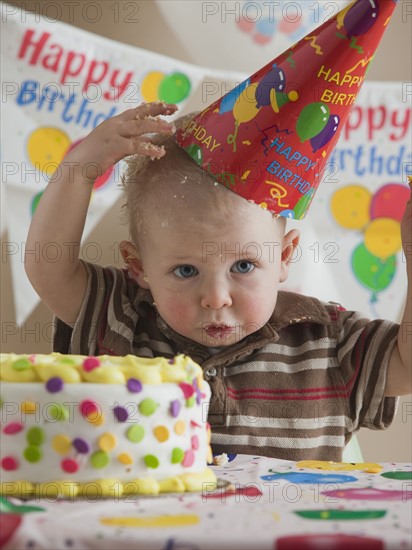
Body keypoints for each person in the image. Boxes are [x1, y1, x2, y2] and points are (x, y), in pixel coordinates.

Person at [25, 101, 412, 461]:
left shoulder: (328, 342)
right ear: (138, 267)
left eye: (243, 266)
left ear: (283, 257)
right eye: (186, 271)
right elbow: (50, 269)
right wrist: (80, 167)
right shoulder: (120, 317)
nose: (215, 298)